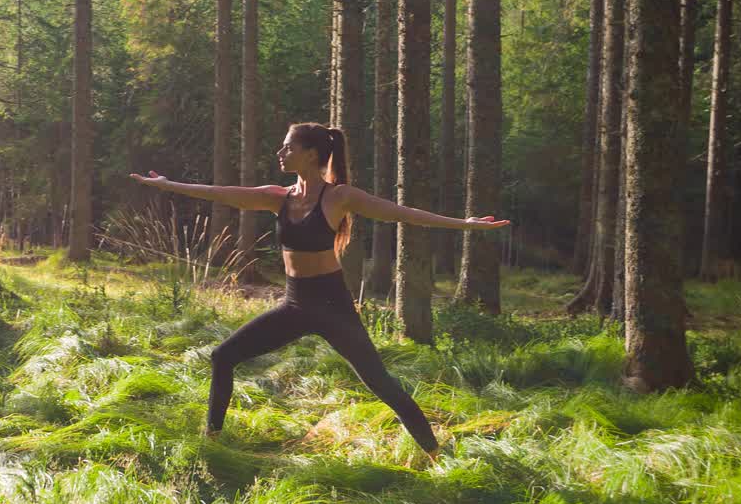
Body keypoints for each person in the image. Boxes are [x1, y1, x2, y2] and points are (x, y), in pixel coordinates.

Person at [129, 122, 510, 459]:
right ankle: (211, 442)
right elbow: (221, 192)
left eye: (288, 147)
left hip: (334, 308)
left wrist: (465, 225)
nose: (281, 153)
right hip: (295, 304)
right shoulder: (278, 197)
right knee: (223, 356)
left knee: (381, 384)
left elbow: (399, 213)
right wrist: (167, 185)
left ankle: (434, 453)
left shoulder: (338, 197)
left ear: (311, 154)